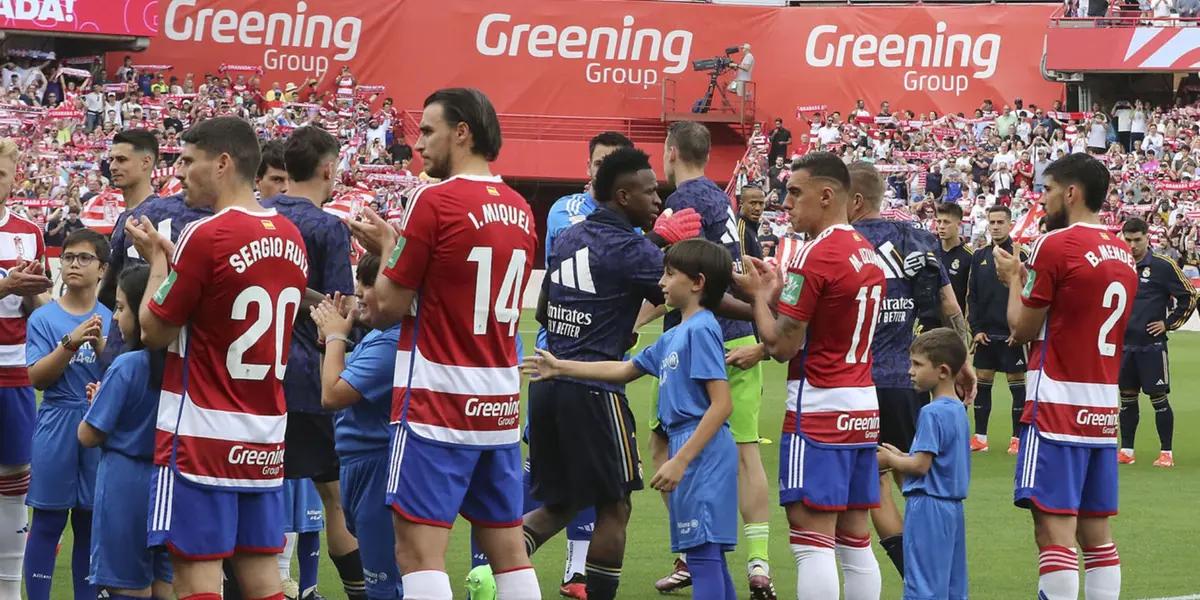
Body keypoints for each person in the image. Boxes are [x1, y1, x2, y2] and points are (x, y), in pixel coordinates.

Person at [345, 88, 540, 599]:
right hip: (497, 402)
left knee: (417, 550)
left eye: (428, 131)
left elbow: (385, 306)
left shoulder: (432, 200)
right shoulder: (521, 208)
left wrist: (387, 247)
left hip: (436, 401)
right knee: (509, 551)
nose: (418, 143)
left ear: (462, 132)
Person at [129, 116, 310, 599]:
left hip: (200, 435)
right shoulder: (291, 236)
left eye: (189, 161)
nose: (181, 172)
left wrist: (160, 265)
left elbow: (154, 329)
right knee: (261, 575)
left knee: (195, 576)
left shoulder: (204, 236)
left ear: (223, 163)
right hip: (265, 433)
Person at [525, 238, 740, 600]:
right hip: (690, 444)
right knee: (707, 555)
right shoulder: (676, 334)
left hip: (701, 450)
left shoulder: (702, 329)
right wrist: (561, 366)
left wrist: (680, 460)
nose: (661, 282)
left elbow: (721, 405)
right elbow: (625, 368)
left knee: (703, 556)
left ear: (698, 282)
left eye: (670, 274)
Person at [735, 151, 885, 600]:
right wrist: (783, 290)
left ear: (826, 195)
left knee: (811, 536)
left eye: (795, 193)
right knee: (856, 536)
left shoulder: (815, 254)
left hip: (819, 408)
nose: (786, 203)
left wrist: (761, 296)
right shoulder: (865, 250)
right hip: (862, 406)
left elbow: (782, 347)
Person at [522, 147, 670, 600]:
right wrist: (763, 308)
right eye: (650, 193)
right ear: (623, 196)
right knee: (615, 504)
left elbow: (546, 310)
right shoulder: (631, 246)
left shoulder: (568, 235)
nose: (658, 201)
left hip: (549, 384)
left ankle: (493, 573)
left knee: (562, 503)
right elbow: (688, 289)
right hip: (594, 391)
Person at [993, 153, 1136, 600]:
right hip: (1101, 407)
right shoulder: (1125, 252)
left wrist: (1014, 278)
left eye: (1048, 190)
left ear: (1070, 193)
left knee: (1052, 531)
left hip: (1055, 404)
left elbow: (1021, 329)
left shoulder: (1053, 246)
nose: (1044, 199)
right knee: (1097, 535)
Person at [652, 121, 774, 600]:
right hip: (741, 344)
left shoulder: (682, 203)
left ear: (671, 151)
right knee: (744, 453)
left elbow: (696, 283)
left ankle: (695, 549)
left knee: (665, 448)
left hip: (699, 346)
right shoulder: (724, 202)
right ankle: (756, 563)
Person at [846, 161, 973, 578]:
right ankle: (933, 565)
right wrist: (963, 363)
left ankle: (911, 570)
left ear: (855, 199)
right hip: (912, 379)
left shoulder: (843, 242)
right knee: (916, 481)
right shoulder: (918, 239)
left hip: (861, 381)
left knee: (878, 479)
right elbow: (950, 308)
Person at [262, 126, 365, 600]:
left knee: (255, 489)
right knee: (334, 498)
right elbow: (340, 310)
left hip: (252, 380)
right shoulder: (327, 227)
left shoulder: (256, 216)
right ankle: (361, 591)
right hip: (308, 379)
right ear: (329, 169)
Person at [532, 131, 633, 598]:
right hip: (585, 372)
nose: (604, 168)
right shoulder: (571, 212)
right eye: (600, 161)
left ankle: (564, 573)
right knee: (611, 496)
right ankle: (576, 574)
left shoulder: (588, 226)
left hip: (556, 364)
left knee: (568, 493)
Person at [23, 228, 111, 600]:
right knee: (47, 520)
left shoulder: (112, 317)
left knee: (90, 524)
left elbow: (122, 375)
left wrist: (102, 345)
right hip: (57, 421)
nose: (75, 264)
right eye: (69, 257)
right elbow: (37, 378)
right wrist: (70, 343)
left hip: (98, 422)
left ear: (103, 268)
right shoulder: (44, 319)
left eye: (85, 258)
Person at [77, 264, 173, 600]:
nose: (116, 318)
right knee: (167, 582)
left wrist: (96, 408)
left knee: (126, 585)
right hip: (172, 482)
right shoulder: (184, 362)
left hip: (126, 480)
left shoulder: (128, 364)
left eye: (120, 307)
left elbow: (89, 435)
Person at [312, 253, 403, 600]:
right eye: (358, 285)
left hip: (376, 464)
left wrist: (337, 337)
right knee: (382, 572)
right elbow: (336, 378)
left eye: (367, 286)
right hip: (358, 462)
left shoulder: (391, 343)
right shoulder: (379, 336)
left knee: (384, 581)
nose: (359, 295)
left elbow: (332, 395)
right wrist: (328, 340)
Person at [876, 328, 970, 600]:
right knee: (952, 585)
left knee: (923, 586)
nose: (910, 371)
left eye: (917, 364)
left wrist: (891, 460)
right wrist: (903, 456)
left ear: (942, 371)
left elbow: (921, 466)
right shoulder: (957, 410)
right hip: (952, 509)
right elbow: (940, 462)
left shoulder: (930, 412)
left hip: (928, 507)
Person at [0, 137, 53, 600]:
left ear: (14, 176)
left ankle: (10, 590)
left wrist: (35, 291)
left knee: (14, 482)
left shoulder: (28, 231)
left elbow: (39, 306)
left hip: (14, 375)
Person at [1117, 217, 1198, 468]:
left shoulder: (1163, 266)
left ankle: (1166, 453)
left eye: (1137, 240)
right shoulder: (1118, 265)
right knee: (1127, 399)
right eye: (1127, 240)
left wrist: (1169, 323)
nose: (1132, 245)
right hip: (1124, 346)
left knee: (1158, 397)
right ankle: (1127, 450)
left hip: (1152, 347)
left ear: (1146, 238)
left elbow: (1190, 295)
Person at [967, 205, 1030, 455]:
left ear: (1009, 223)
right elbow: (973, 296)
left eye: (1000, 222)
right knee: (983, 383)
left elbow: (1028, 293)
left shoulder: (1020, 254)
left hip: (1013, 334)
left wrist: (1022, 329)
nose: (995, 226)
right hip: (986, 333)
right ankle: (980, 437)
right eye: (991, 222)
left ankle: (1017, 437)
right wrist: (976, 329)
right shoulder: (979, 255)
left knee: (1017, 383)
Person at [99, 128, 159, 310]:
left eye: (121, 160)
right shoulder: (124, 216)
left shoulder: (158, 213)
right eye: (111, 160)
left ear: (146, 162)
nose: (112, 167)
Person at [934, 202, 972, 320]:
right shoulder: (929, 251)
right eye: (939, 221)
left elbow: (972, 296)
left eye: (946, 222)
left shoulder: (969, 256)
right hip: (930, 321)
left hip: (955, 322)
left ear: (958, 225)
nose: (941, 226)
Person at [738, 185, 766, 260]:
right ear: (741, 204)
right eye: (753, 203)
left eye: (761, 203)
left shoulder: (752, 227)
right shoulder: (741, 229)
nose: (757, 208)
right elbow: (743, 266)